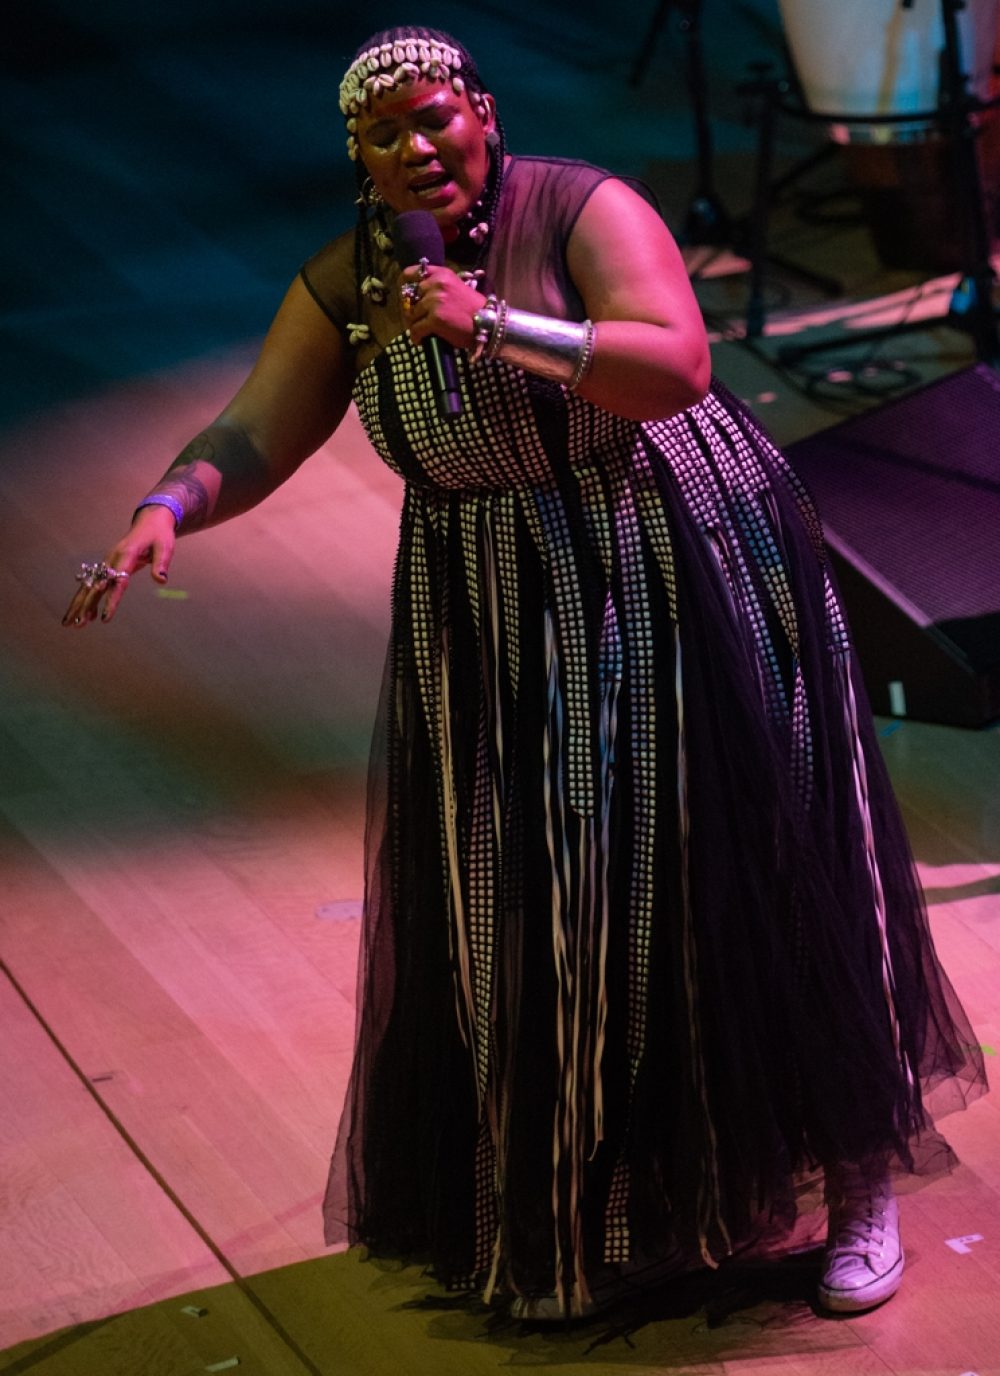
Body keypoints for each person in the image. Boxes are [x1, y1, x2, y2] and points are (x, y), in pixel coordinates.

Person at [64, 26, 986, 1323]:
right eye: (384, 134)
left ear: (484, 115)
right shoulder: (350, 279)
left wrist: (487, 321)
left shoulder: (580, 210)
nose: (416, 146)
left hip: (667, 553)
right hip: (493, 594)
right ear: (360, 159)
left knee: (750, 869)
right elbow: (257, 427)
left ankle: (854, 1180)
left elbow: (677, 366)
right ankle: (611, 1207)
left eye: (435, 117)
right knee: (551, 906)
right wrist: (171, 504)